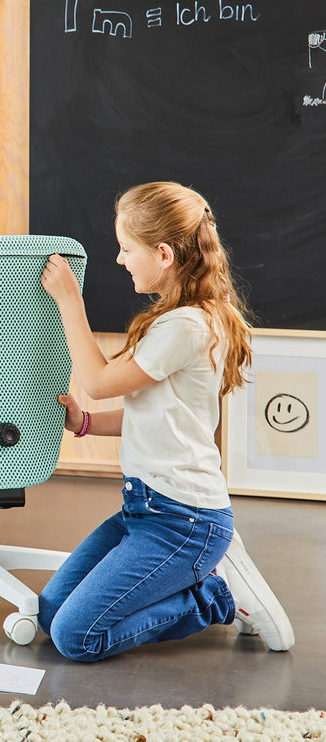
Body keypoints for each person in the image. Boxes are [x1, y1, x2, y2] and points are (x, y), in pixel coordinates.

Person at [38, 181, 294, 662]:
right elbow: (152, 415)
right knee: (52, 613)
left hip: (184, 521)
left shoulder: (186, 326)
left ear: (162, 254)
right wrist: (86, 422)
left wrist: (70, 301)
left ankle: (215, 596)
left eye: (125, 248)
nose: (119, 259)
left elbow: (96, 379)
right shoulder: (180, 319)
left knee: (76, 637)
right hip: (146, 510)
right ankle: (197, 576)